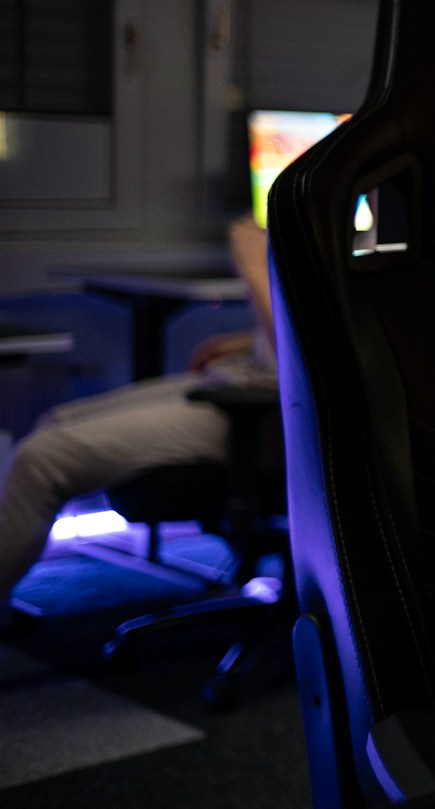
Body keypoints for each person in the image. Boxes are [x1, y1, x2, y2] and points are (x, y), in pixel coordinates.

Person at [0, 216, 277, 620]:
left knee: (42, 458)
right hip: (253, 377)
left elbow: (324, 358)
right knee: (58, 420)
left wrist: (253, 262)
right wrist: (245, 341)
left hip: (279, 413)